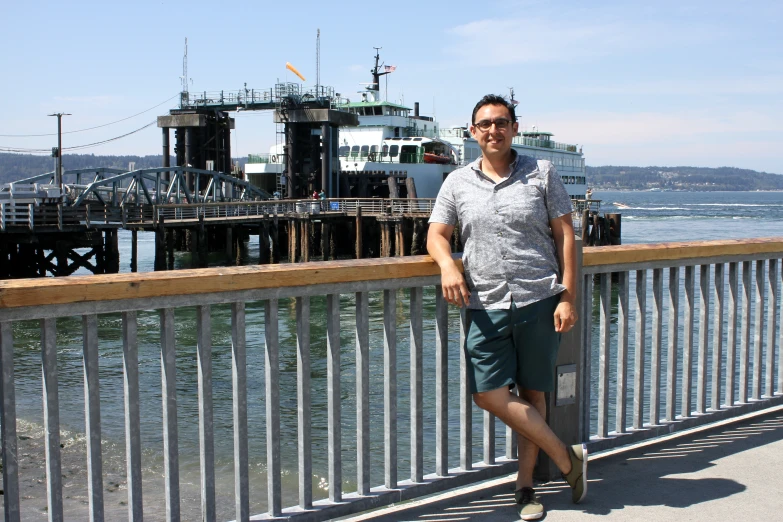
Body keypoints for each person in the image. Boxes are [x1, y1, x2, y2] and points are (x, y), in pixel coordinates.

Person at [427, 94, 587, 520]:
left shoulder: (542, 173)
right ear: (473, 132)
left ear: (515, 128)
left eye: (501, 122)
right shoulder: (457, 182)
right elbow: (437, 234)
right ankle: (568, 459)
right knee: (487, 394)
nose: (493, 130)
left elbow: (565, 237)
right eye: (485, 124)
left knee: (535, 392)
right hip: (485, 303)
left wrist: (568, 296)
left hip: (539, 298)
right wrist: (447, 265)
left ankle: (525, 486)